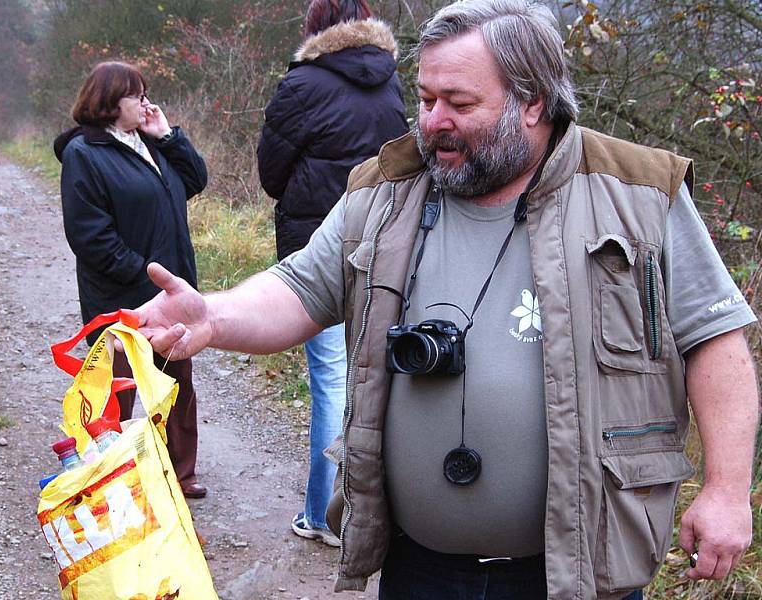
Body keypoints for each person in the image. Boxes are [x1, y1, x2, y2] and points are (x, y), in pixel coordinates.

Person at [129, 0, 759, 597]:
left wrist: (727, 490)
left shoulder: (639, 194)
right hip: (418, 572)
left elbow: (714, 338)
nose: (432, 122)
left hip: (580, 574)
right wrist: (212, 314)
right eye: (426, 98)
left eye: (458, 102)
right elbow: (299, 288)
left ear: (532, 102)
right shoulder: (385, 191)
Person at [257, 0, 408, 547]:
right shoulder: (393, 84)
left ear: (316, 28)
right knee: (381, 378)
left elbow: (271, 174)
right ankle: (386, 513)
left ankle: (324, 515)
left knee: (331, 381)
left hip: (314, 248)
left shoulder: (302, 85)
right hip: (390, 246)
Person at [54, 61, 209, 499]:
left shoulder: (149, 144)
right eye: (135, 96)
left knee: (177, 382)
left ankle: (179, 472)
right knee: (119, 387)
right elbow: (90, 236)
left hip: (170, 289)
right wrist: (144, 275)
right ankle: (115, 473)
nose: (145, 103)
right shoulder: (84, 154)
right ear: (108, 103)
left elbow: (195, 179)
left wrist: (168, 136)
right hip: (120, 295)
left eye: (145, 94)